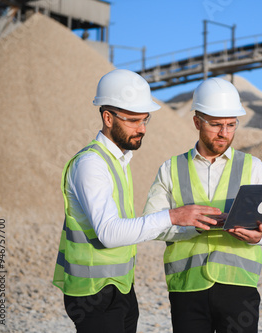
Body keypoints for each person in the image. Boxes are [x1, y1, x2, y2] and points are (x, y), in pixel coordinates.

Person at [52, 69, 221, 333]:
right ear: (108, 117)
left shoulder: (119, 161)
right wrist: (173, 216)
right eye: (133, 120)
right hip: (92, 293)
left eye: (145, 120)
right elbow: (109, 233)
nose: (141, 129)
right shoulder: (91, 165)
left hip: (119, 286)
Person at [143, 77, 262, 333]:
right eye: (216, 125)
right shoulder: (170, 169)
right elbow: (151, 225)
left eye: (231, 125)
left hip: (239, 287)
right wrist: (189, 227)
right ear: (197, 121)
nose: (224, 133)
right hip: (187, 289)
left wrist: (259, 237)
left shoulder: (253, 167)